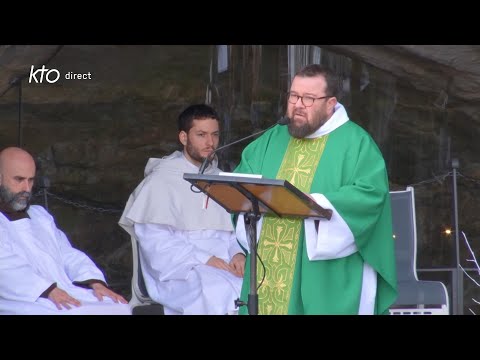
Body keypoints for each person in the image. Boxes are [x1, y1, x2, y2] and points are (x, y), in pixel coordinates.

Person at [234, 64, 397, 315]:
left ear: (330, 103)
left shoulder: (356, 142)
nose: (298, 104)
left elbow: (370, 196)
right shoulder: (272, 138)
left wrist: (317, 203)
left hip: (323, 277)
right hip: (267, 267)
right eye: (293, 96)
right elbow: (241, 182)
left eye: (309, 98)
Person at [119, 104, 245, 315]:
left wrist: (238, 254)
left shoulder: (223, 180)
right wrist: (205, 259)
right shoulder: (160, 181)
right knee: (216, 292)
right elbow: (157, 244)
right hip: (181, 269)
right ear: (184, 137)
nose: (210, 143)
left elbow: (234, 232)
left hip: (225, 265)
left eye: (215, 135)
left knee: (259, 287)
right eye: (201, 135)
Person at [0, 147, 131, 315]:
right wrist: (48, 290)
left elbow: (67, 253)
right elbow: (5, 268)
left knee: (119, 308)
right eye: (19, 179)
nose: (26, 188)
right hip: (23, 299)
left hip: (61, 290)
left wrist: (95, 283)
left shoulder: (39, 215)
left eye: (31, 180)